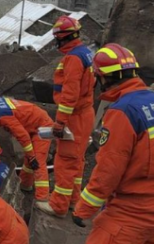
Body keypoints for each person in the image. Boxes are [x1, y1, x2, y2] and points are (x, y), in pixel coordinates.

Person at [72, 44, 154, 243]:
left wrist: (83, 208)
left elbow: (109, 169)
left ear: (104, 78)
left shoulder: (122, 111)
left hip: (132, 212)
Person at [36, 16, 96, 217]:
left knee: (65, 161)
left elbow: (70, 94)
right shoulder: (85, 53)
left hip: (75, 117)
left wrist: (60, 122)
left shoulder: (73, 59)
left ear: (62, 38)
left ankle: (58, 205)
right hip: (85, 114)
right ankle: (72, 201)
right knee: (77, 161)